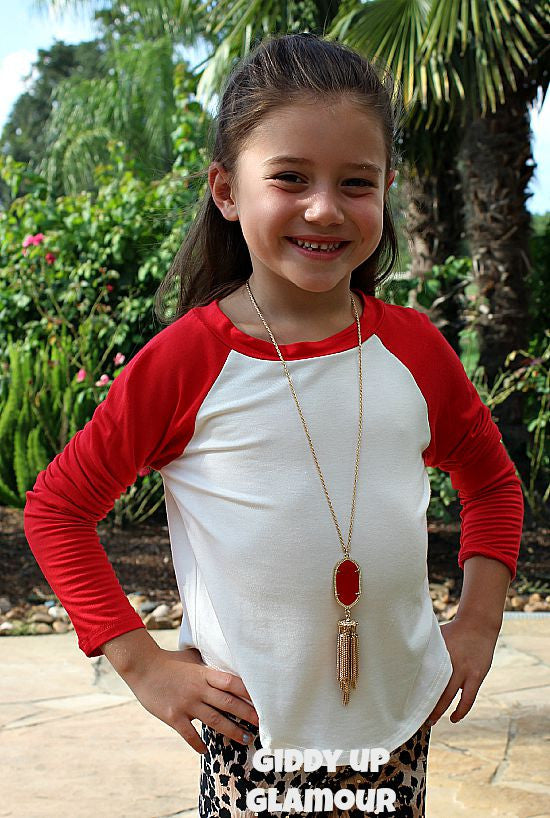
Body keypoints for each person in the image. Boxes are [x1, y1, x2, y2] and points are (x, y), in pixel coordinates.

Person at [24, 31, 524, 818]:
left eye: (356, 182)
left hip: (398, 725)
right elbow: (57, 510)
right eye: (290, 177)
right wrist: (143, 665)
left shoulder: (415, 350)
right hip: (253, 735)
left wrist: (480, 623)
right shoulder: (187, 361)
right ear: (226, 190)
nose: (325, 208)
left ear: (386, 189)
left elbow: (492, 482)